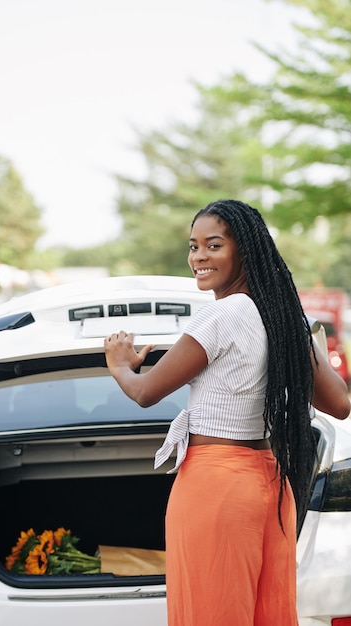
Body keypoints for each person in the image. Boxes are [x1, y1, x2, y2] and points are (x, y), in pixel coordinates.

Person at [104, 199, 350, 626]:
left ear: (245, 252)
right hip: (271, 485)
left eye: (213, 245)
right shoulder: (284, 319)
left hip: (215, 486)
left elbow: (145, 393)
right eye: (194, 246)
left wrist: (120, 365)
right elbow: (340, 404)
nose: (199, 256)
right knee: (267, 615)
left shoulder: (220, 314)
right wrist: (316, 349)